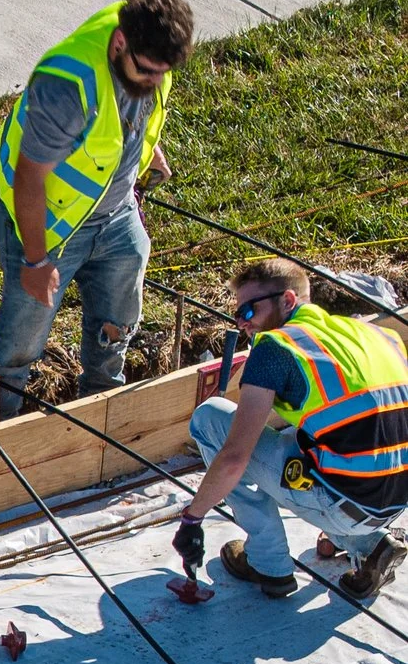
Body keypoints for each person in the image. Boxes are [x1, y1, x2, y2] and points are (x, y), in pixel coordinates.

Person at [0, 0, 193, 424]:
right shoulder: (67, 86)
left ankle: (99, 411)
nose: (153, 81)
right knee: (23, 335)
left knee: (118, 321)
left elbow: (130, 117)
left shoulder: (153, 52)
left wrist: (147, 153)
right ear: (118, 44)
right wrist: (36, 260)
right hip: (52, 224)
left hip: (115, 215)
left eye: (161, 74)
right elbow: (29, 177)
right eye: (145, 71)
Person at [173, 257, 408, 601]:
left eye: (249, 311)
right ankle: (370, 544)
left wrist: (192, 520)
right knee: (293, 438)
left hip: (349, 505)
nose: (242, 323)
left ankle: (268, 564)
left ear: (288, 301)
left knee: (212, 419)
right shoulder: (377, 334)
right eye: (238, 314)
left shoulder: (276, 348)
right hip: (395, 501)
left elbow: (235, 457)